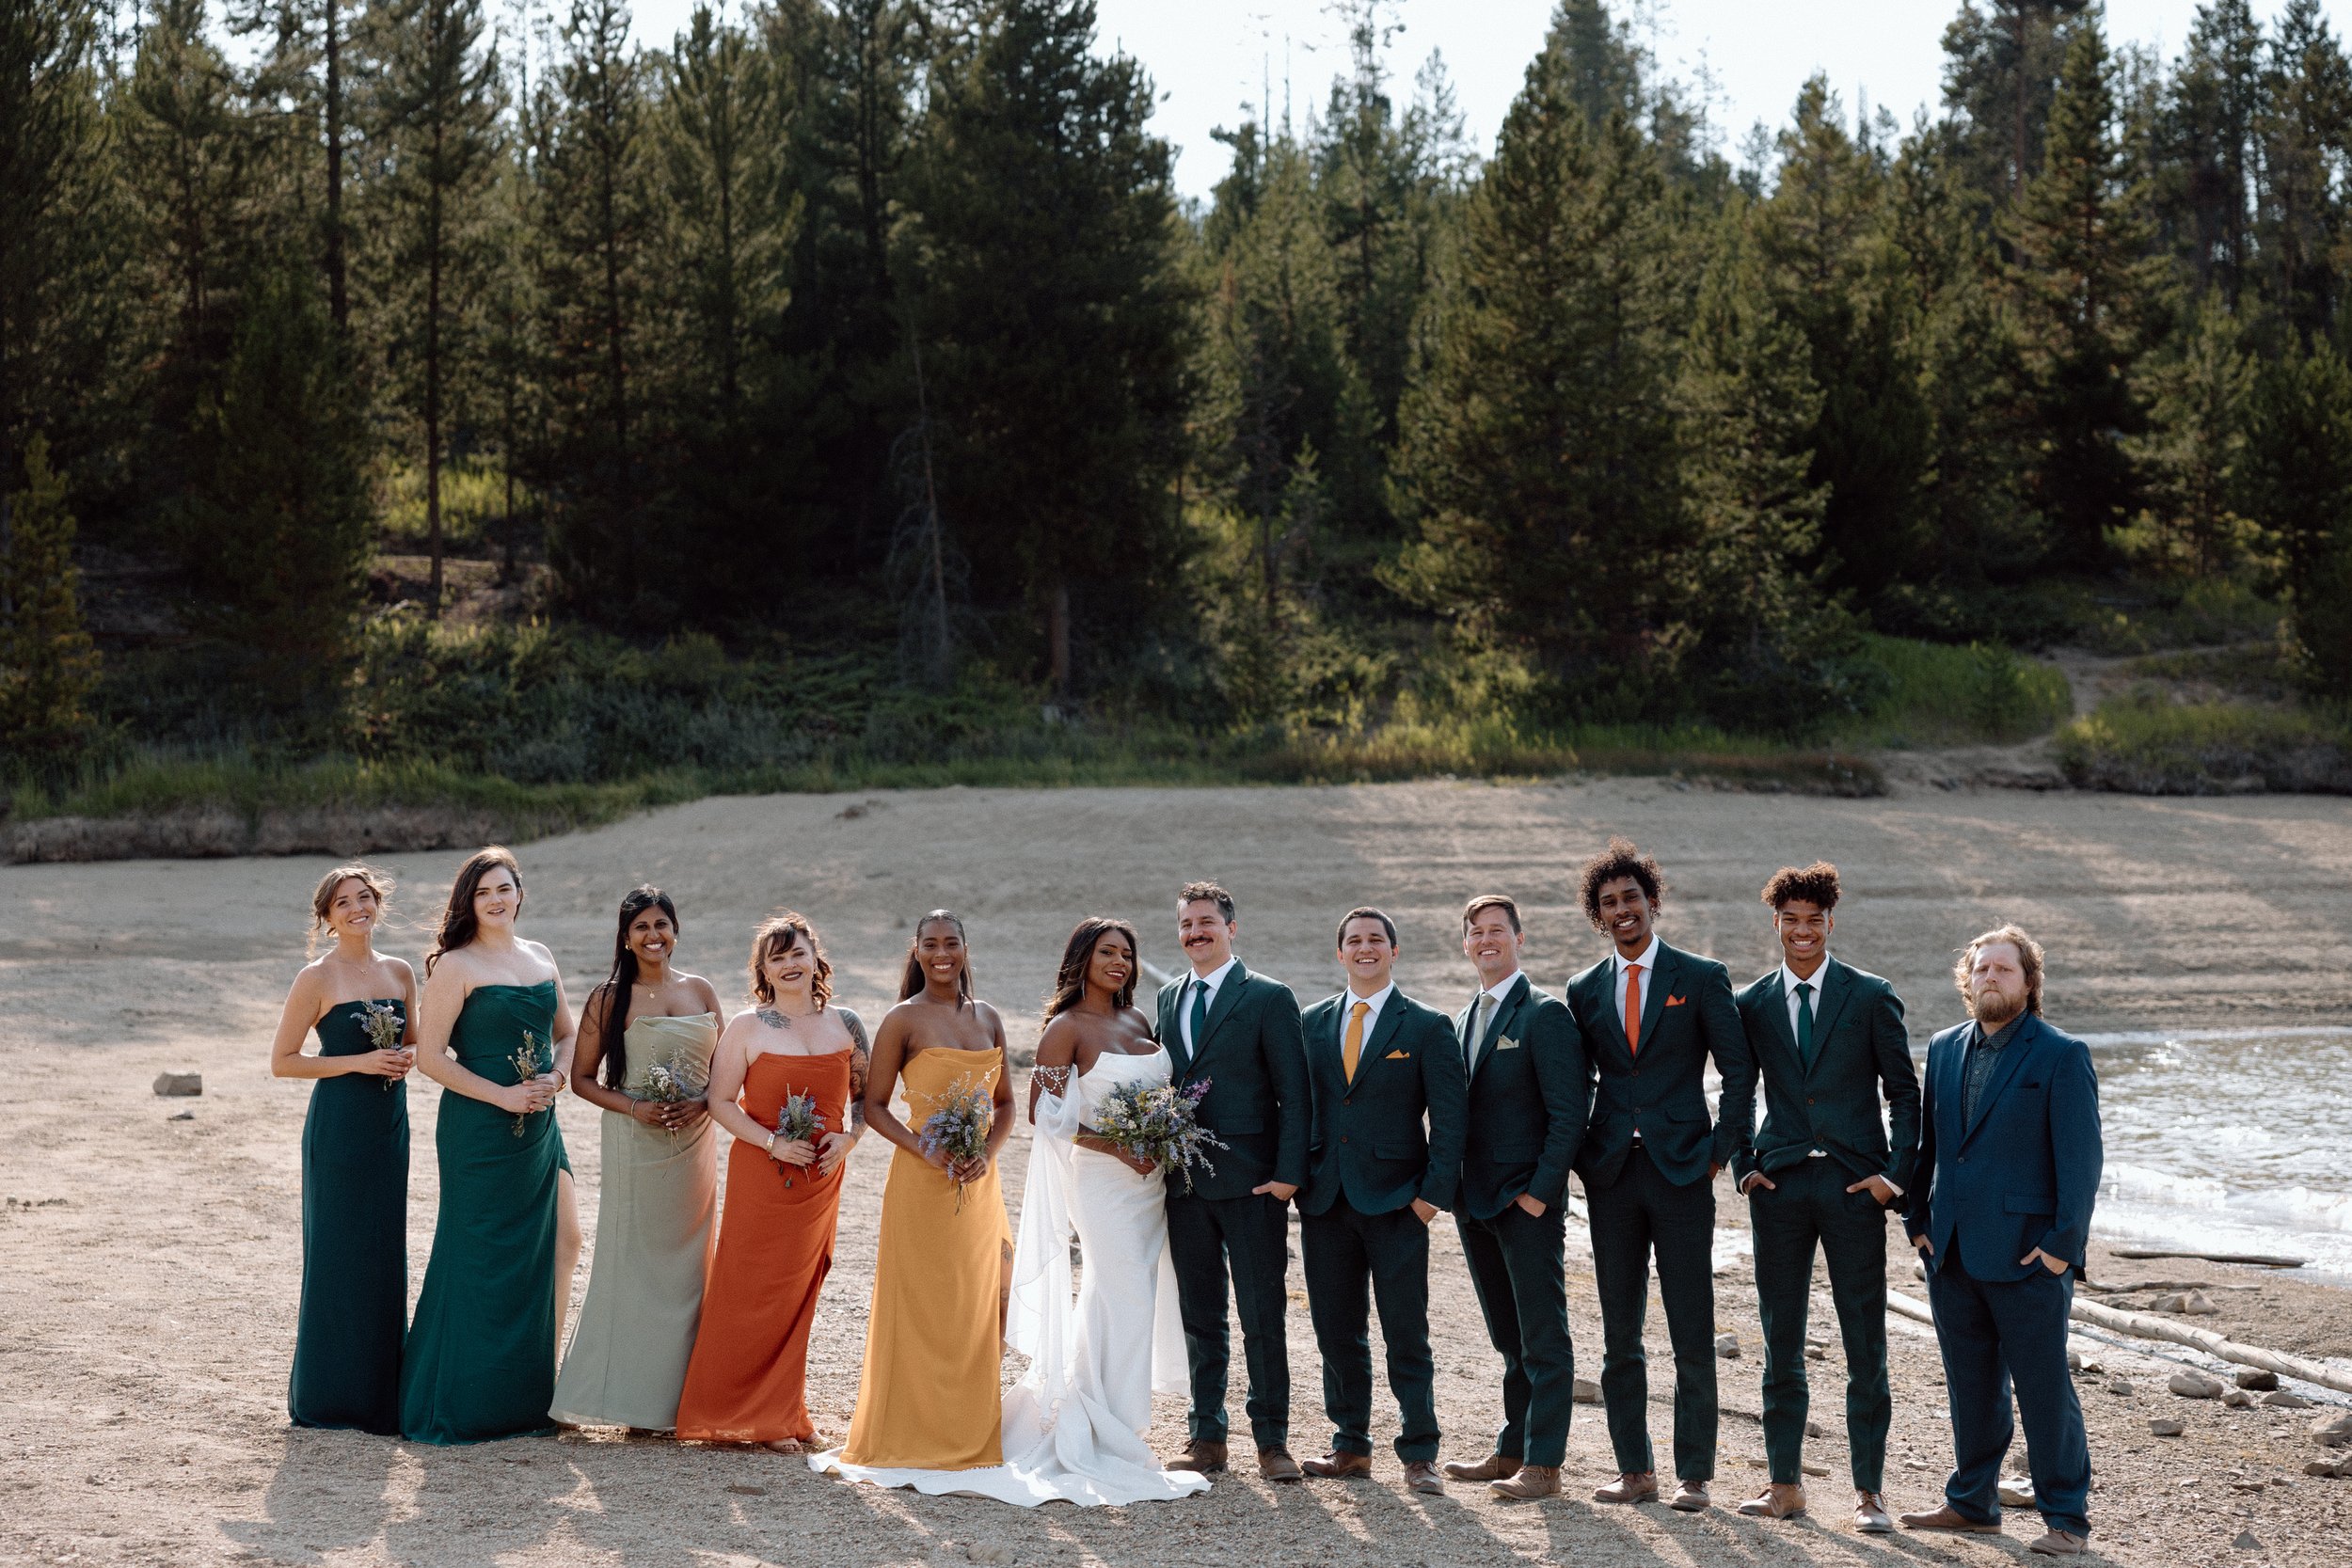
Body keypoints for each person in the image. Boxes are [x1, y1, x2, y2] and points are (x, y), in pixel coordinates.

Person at [1563, 837, 1756, 1512]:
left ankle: (1694, 1474)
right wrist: (1582, 1155)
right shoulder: (1583, 989)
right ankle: (1634, 1469)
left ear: (1652, 901)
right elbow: (1575, 1080)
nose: (1623, 911)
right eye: (1609, 902)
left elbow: (1739, 1071)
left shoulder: (1701, 976)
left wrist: (1719, 1151)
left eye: (1632, 898)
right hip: (1611, 1173)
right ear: (1599, 913)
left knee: (1690, 1326)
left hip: (1681, 1171)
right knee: (1620, 1329)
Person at [1728, 863, 1919, 1533]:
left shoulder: (1869, 995)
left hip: (1852, 1187)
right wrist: (1742, 1164)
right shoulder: (1750, 1003)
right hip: (1778, 1186)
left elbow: (1904, 1092)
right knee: (1781, 1340)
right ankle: (1784, 1484)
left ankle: (1869, 1490)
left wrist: (1893, 1177)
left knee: (1865, 1341)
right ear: (1775, 923)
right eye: (1791, 920)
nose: (1802, 931)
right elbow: (1734, 1090)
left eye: (1814, 920)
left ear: (1830, 922)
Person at [994, 917, 1213, 1505]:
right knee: (1125, 1292)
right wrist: (1121, 1144)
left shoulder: (1138, 1020)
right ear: (1082, 959)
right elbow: (1045, 1115)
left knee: (1128, 1292)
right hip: (1101, 1182)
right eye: (1106, 952)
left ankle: (1109, 1413)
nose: (1118, 962)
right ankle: (1106, 1426)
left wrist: (1159, 1139)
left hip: (1151, 1184)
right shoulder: (1064, 1028)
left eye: (1126, 954)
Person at [1899, 926, 2101, 1558]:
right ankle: (1973, 1503)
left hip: (2028, 1256)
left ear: (2029, 981)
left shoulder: (2061, 1054)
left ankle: (2066, 1516)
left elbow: (2082, 1161)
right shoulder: (1943, 1047)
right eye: (1981, 967)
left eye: (2004, 968)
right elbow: (1931, 1148)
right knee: (1971, 1384)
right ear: (1968, 979)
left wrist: (2060, 1248)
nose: (1991, 976)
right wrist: (1918, 1222)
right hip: (1952, 1250)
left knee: (2045, 1390)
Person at [812, 911, 1016, 1494]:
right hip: (921, 1181)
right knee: (920, 1302)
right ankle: (910, 1430)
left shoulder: (989, 1018)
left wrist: (987, 1153)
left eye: (952, 943)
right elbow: (873, 1107)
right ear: (917, 951)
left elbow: (1004, 1103)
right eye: (931, 944)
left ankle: (971, 1432)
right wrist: (925, 1149)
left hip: (977, 1183)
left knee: (974, 1305)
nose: (942, 953)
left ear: (965, 949)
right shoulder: (902, 1018)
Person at [398, 847, 582, 1445]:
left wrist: (555, 1078)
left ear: (520, 893)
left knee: (564, 1242)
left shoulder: (540, 956)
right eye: (483, 893)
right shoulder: (455, 966)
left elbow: (569, 1034)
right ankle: (467, 1398)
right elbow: (430, 1058)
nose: (496, 900)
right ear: (468, 904)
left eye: (504, 888)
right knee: (477, 1255)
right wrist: (501, 1097)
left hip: (540, 1126)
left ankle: (539, 1389)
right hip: (479, 1128)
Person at [1295, 906, 1468, 1496]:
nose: (1365, 948)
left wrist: (1430, 1200)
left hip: (1398, 1205)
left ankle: (1420, 1452)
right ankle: (1350, 1445)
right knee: (1336, 1330)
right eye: (1353, 941)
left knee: (1405, 1330)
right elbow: (1299, 1109)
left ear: (1394, 951)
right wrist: (1298, 1179)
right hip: (1325, 1202)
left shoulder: (1425, 1026)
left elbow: (1451, 1121)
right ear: (1339, 954)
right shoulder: (1312, 1023)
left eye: (1376, 940)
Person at [677, 912, 866, 1450]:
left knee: (799, 1291)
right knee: (749, 1287)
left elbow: (864, 1101)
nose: (789, 964)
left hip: (821, 1178)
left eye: (797, 953)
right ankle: (743, 1414)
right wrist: (772, 1143)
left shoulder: (847, 1024)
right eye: (776, 957)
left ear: (815, 958)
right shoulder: (747, 1026)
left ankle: (782, 1410)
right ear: (762, 968)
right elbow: (719, 1102)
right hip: (762, 1174)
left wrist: (848, 1139)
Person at [550, 886, 725, 1433]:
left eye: (662, 925)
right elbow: (580, 1080)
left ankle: (674, 1405)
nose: (654, 937)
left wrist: (702, 1103)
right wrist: (635, 1108)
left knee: (688, 1271)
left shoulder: (701, 989)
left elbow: (726, 1074)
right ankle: (626, 1403)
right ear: (626, 938)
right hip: (635, 1143)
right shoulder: (608, 998)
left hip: (694, 1147)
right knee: (632, 1267)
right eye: (642, 928)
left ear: (676, 930)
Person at [1156, 881, 1311, 1483]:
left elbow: (1294, 1095)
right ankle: (1207, 1436)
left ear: (1231, 928)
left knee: (1261, 1314)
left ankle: (1272, 1441)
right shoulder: (1168, 997)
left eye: (1207, 922)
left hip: (1253, 1186)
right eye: (1187, 924)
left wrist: (1286, 1178)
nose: (1196, 932)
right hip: (1186, 1187)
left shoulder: (1269, 998)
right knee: (1200, 1316)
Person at [1438, 895, 1591, 1500]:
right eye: (1475, 932)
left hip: (1525, 1204)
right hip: (1474, 1205)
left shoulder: (1545, 1015)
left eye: (1496, 930)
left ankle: (1545, 1463)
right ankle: (1511, 1448)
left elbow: (1569, 1115)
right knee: (1508, 1336)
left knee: (1543, 1336)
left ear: (1519, 939)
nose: (1485, 940)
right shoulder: (1461, 1019)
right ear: (1466, 944)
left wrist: (1539, 1195)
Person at [270, 863, 417, 1434]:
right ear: (328, 919)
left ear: (377, 903)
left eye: (364, 897)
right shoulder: (316, 978)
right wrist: (358, 1060)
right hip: (339, 1129)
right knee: (336, 1255)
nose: (357, 908)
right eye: (343, 903)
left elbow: (413, 1043)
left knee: (382, 1253)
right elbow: (283, 1061)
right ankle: (328, 1399)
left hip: (389, 1128)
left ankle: (381, 1398)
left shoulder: (402, 972)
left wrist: (401, 1059)